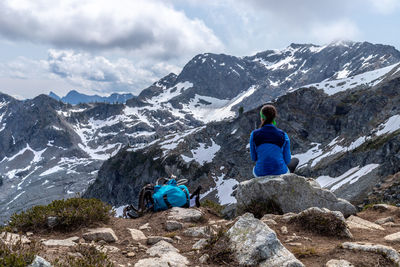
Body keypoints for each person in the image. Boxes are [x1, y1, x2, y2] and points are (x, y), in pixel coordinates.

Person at [249, 104, 299, 177]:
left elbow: (254, 158)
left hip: (260, 173)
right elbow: (287, 160)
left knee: (255, 169)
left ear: (261, 118)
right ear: (274, 117)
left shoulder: (254, 134)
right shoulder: (283, 135)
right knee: (294, 161)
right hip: (280, 172)